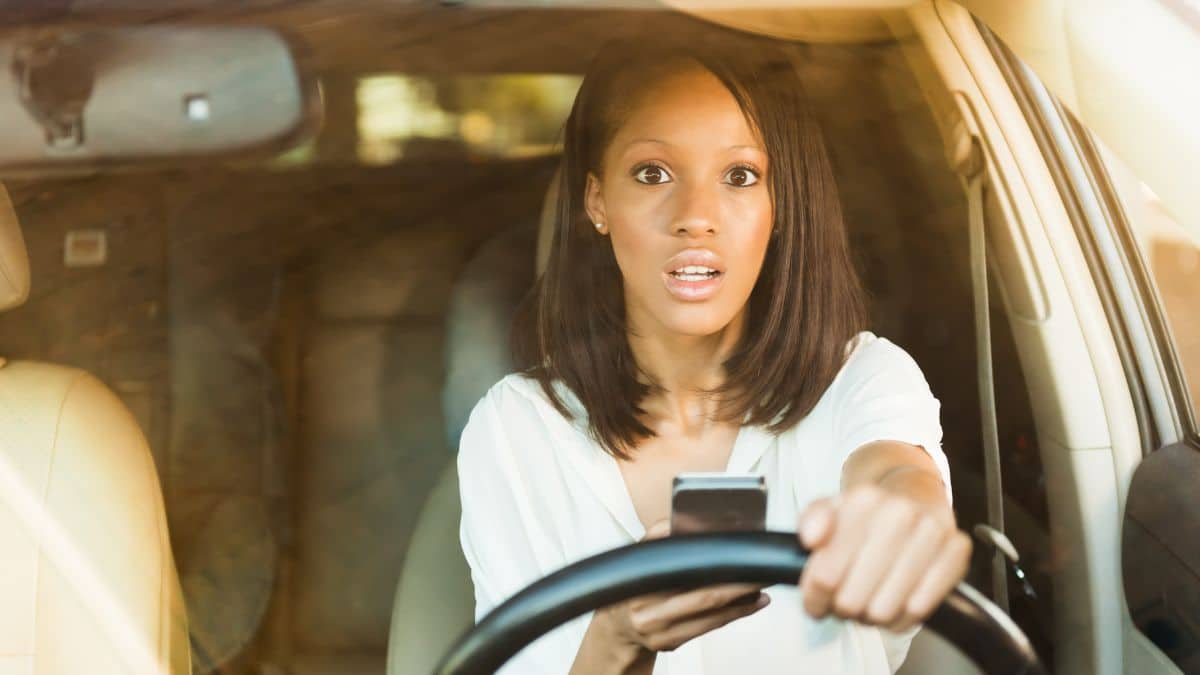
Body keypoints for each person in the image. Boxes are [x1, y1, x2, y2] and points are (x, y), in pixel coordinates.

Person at [456, 28, 971, 675]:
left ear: (780, 205)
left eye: (739, 175)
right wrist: (617, 638)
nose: (696, 215)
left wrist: (905, 516)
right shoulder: (515, 430)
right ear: (597, 201)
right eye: (653, 172)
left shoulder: (861, 378)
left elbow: (897, 473)